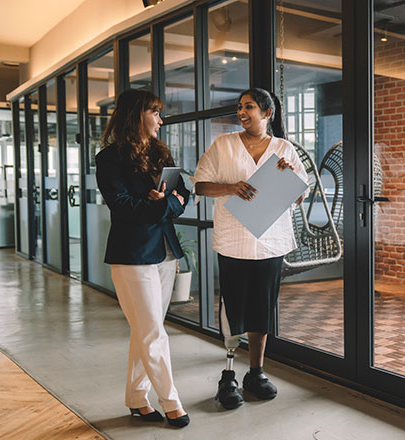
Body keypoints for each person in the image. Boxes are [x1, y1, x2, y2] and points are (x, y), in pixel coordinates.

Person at [192, 88, 308, 410]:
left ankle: (255, 373)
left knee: (262, 309)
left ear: (267, 113)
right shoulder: (223, 145)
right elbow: (200, 185)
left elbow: (298, 196)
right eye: (240, 107)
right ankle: (228, 375)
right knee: (233, 310)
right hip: (233, 242)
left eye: (249, 107)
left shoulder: (284, 149)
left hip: (271, 243)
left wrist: (289, 177)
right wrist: (230, 187)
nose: (242, 112)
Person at [95, 88, 191, 428]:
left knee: (146, 330)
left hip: (165, 253)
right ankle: (172, 403)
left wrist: (168, 202)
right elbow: (122, 206)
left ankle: (137, 398)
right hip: (132, 255)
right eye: (155, 112)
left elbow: (184, 192)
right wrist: (163, 204)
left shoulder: (159, 152)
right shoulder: (108, 159)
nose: (161, 120)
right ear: (137, 114)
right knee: (153, 334)